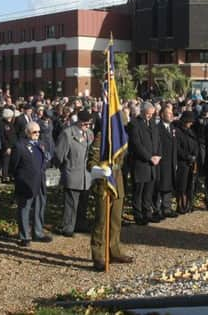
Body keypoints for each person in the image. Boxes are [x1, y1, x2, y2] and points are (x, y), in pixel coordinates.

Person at [87, 129, 133, 271]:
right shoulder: (102, 137)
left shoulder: (122, 136)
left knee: (115, 221)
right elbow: (91, 163)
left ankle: (114, 251)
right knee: (101, 222)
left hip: (117, 183)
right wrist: (101, 171)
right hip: (104, 184)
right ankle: (98, 255)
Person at [9, 122, 52, 247]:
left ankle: (38, 233)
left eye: (39, 132)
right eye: (34, 132)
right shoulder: (20, 146)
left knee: (40, 206)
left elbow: (46, 159)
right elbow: (14, 165)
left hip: (40, 180)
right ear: (27, 132)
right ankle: (24, 236)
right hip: (26, 182)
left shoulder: (41, 144)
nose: (37, 134)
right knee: (25, 208)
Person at [55, 110, 93, 237]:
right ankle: (68, 227)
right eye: (85, 124)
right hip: (72, 172)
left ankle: (80, 224)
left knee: (83, 203)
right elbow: (59, 155)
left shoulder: (90, 134)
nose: (87, 127)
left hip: (85, 175)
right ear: (79, 122)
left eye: (89, 124)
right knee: (71, 203)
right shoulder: (68, 134)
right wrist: (64, 166)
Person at [128, 102, 161, 225]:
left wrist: (158, 155)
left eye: (152, 114)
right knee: (139, 191)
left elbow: (157, 140)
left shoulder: (152, 123)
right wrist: (149, 157)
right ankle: (138, 214)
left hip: (152, 164)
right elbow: (137, 144)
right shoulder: (134, 124)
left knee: (148, 191)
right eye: (148, 114)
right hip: (141, 164)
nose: (150, 117)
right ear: (142, 112)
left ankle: (147, 213)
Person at [153, 107, 178, 219]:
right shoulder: (158, 128)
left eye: (171, 113)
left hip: (171, 162)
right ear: (162, 115)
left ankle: (166, 207)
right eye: (168, 113)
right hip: (161, 162)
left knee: (168, 185)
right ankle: (157, 209)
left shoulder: (172, 127)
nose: (171, 115)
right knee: (160, 185)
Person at [175, 111, 199, 214]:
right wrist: (187, 156)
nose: (191, 124)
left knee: (190, 184)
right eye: (189, 121)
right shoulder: (178, 132)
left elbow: (195, 144)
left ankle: (189, 204)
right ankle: (181, 205)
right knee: (182, 185)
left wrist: (194, 155)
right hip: (182, 163)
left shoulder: (191, 132)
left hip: (191, 162)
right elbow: (178, 148)